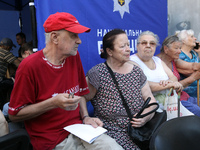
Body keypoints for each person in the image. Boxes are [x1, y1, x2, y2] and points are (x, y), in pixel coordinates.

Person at [8, 12, 123, 150]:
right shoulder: (29, 66)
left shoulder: (73, 56)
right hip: (51, 140)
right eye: (74, 35)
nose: (79, 40)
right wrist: (52, 103)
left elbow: (79, 93)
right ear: (55, 37)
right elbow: (14, 115)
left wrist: (86, 116)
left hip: (80, 130)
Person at [85, 29, 157, 149]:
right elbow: (82, 96)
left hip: (140, 131)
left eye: (128, 45)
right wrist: (85, 117)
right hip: (112, 133)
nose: (128, 49)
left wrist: (145, 117)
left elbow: (152, 101)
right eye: (122, 46)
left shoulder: (136, 71)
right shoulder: (97, 73)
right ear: (109, 51)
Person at [130, 31, 183, 110]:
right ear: (137, 46)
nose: (148, 46)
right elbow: (143, 84)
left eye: (152, 43)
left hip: (168, 108)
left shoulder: (158, 60)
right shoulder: (131, 61)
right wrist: (169, 85)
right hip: (146, 111)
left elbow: (173, 77)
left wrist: (169, 81)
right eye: (144, 43)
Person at [157, 35, 200, 116]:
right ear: (166, 49)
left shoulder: (174, 60)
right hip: (172, 102)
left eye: (180, 48)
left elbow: (193, 66)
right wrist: (193, 78)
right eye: (176, 48)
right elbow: (171, 88)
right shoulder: (156, 62)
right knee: (198, 111)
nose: (180, 51)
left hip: (183, 96)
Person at [175, 29, 200, 98]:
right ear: (183, 40)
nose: (195, 38)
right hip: (187, 94)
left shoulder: (194, 53)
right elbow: (190, 71)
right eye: (192, 36)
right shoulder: (179, 55)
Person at [0, 38, 21, 109]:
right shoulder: (5, 52)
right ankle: (11, 105)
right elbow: (19, 64)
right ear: (8, 47)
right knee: (13, 84)